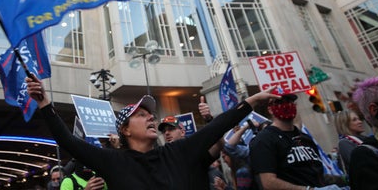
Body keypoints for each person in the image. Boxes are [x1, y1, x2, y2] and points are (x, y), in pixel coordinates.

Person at [26, 76, 280, 189]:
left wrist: (252, 101)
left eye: (150, 113)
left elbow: (217, 127)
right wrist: (45, 104)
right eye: (141, 114)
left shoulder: (178, 153)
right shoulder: (113, 162)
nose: (150, 117)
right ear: (124, 130)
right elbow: (67, 140)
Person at [249, 93, 342, 190]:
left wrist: (341, 180)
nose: (286, 105)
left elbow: (317, 174)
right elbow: (268, 183)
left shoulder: (305, 138)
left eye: (290, 101)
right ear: (270, 109)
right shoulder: (264, 140)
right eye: (280, 102)